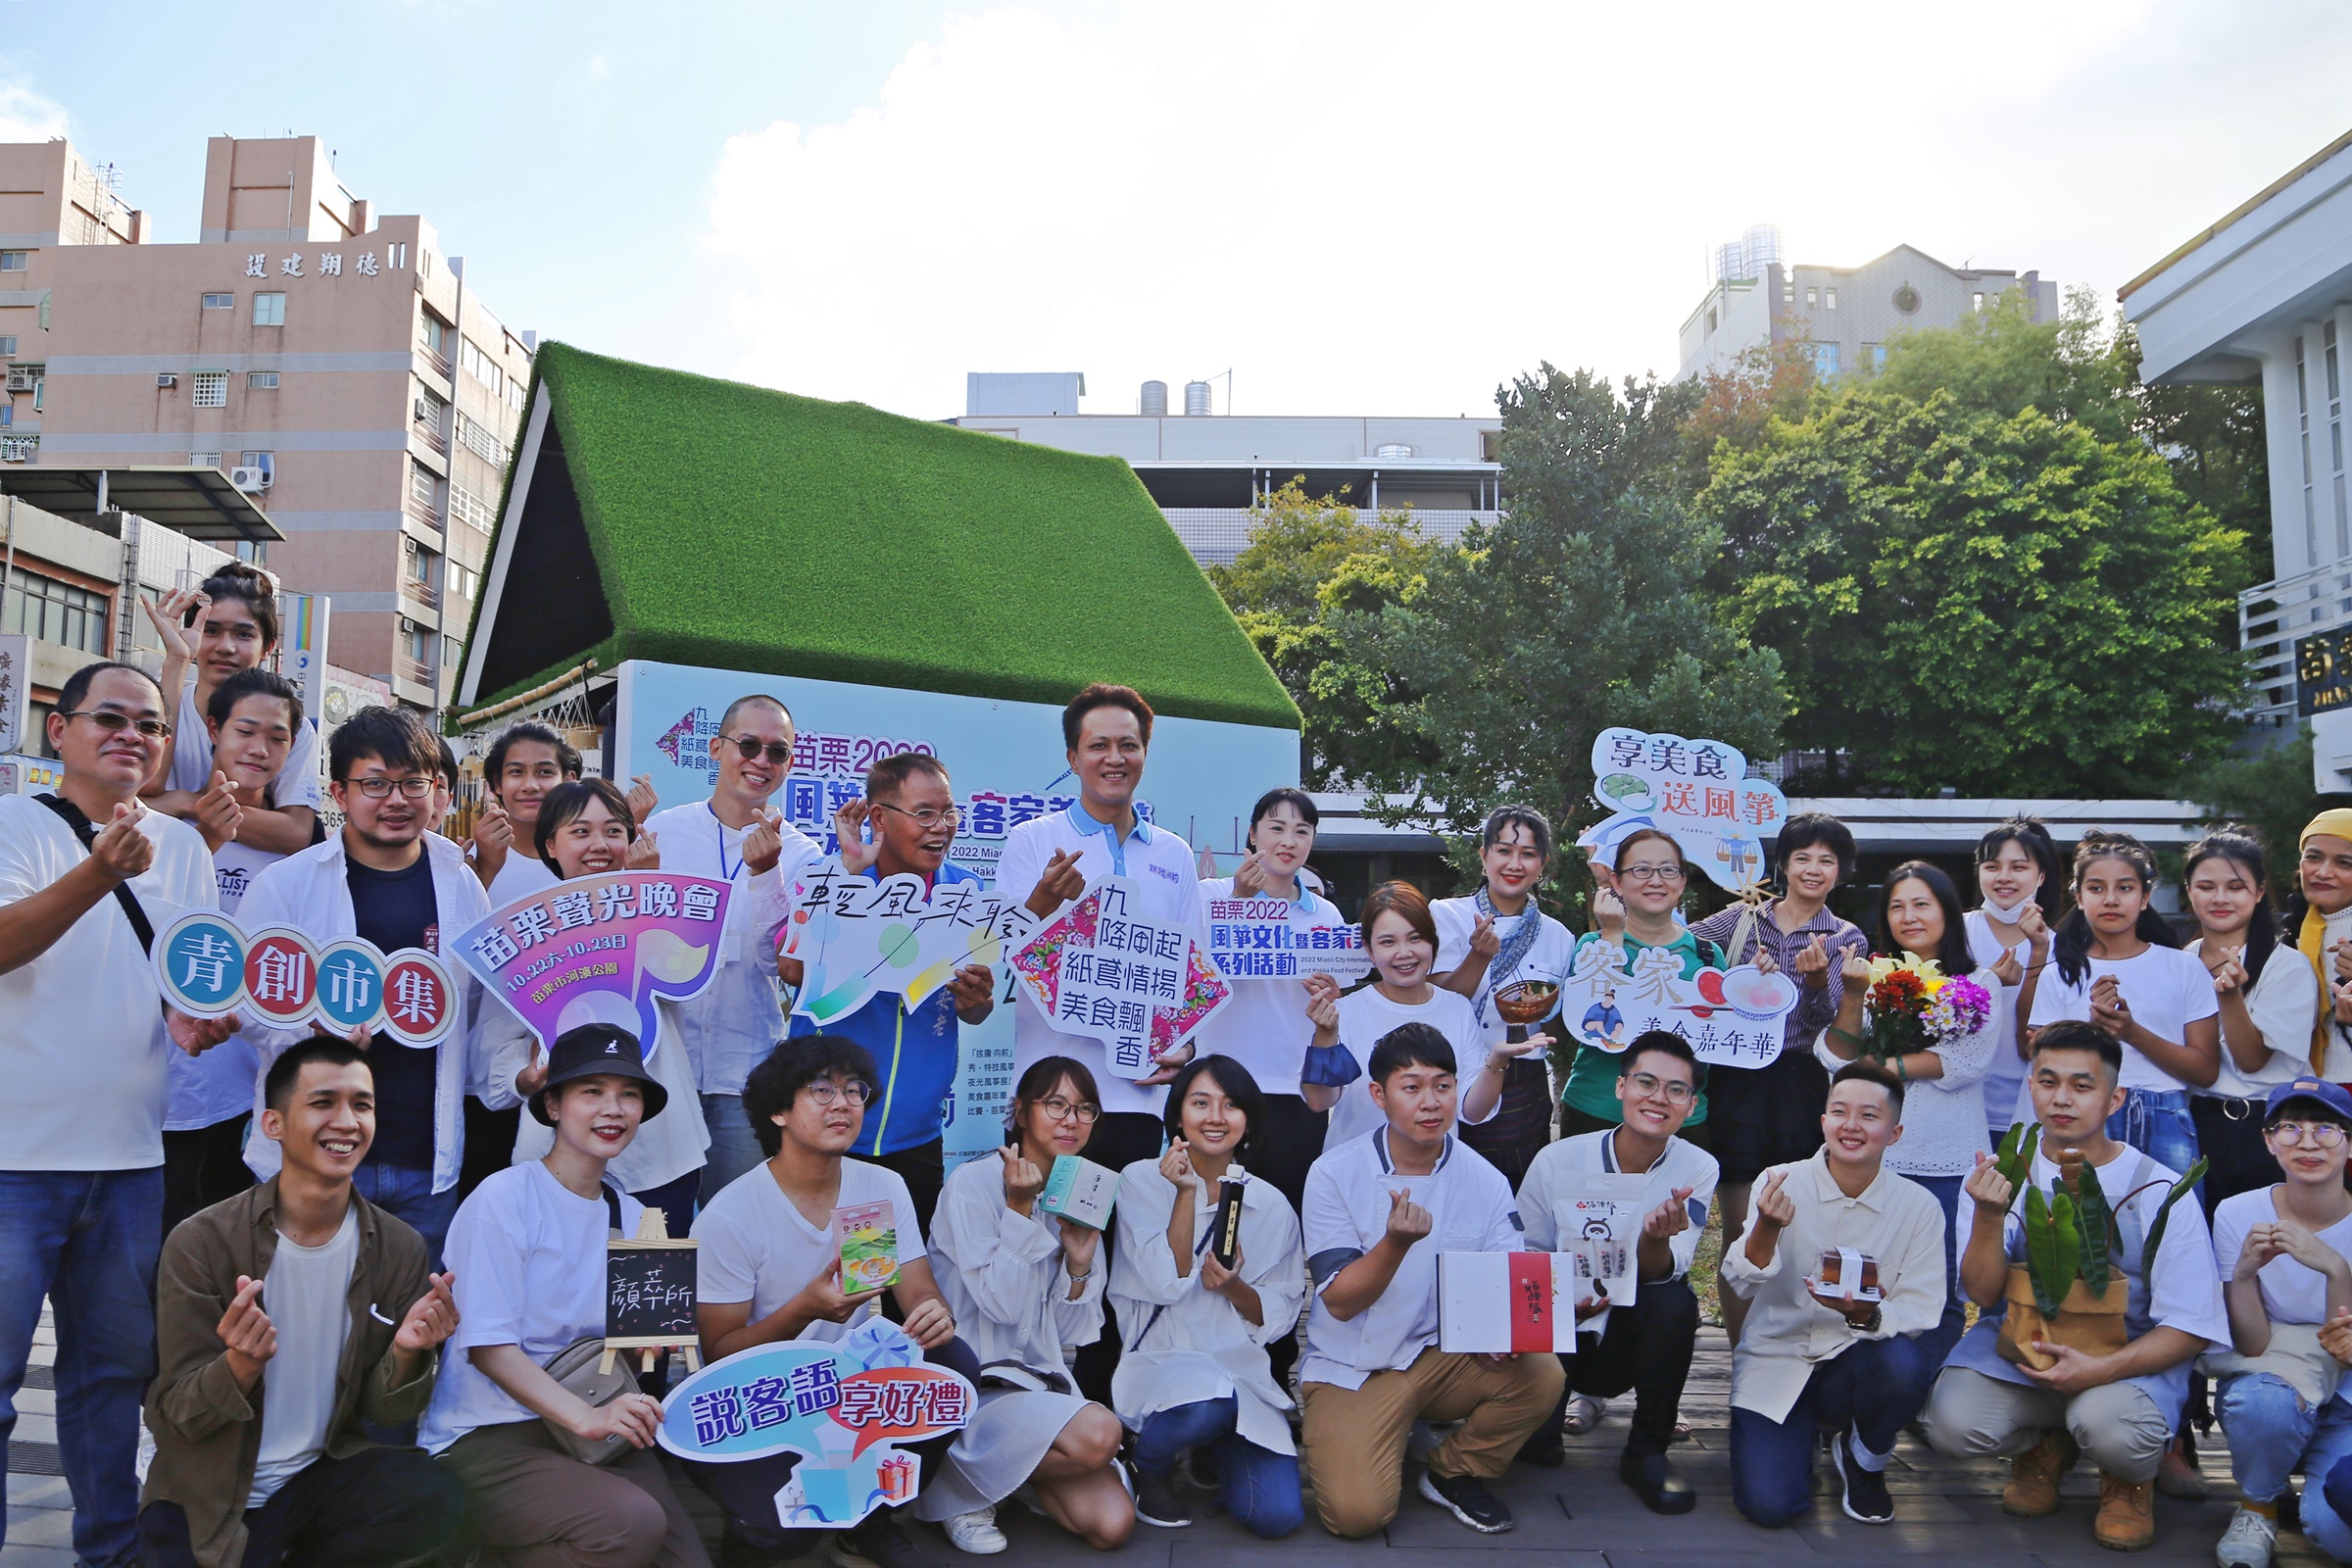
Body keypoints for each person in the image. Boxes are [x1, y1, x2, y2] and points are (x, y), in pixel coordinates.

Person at [0, 660, 239, 1566]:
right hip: (14, 1159)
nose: (132, 735)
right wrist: (100, 872)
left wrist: (198, 1023)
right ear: (58, 731)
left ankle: (109, 1552)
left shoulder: (183, 849)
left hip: (134, 1160)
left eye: (149, 722)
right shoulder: (15, 823)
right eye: (110, 717)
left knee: (111, 1382)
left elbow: (186, 986)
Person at [138, 1037, 465, 1568]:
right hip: (215, 1493)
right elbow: (178, 1417)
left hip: (317, 1482)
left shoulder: (398, 1246)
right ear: (272, 1124)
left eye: (362, 1105)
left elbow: (389, 1412)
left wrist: (408, 1353)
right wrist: (239, 1366)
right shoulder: (201, 1242)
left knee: (432, 1495)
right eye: (322, 1103)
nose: (347, 1122)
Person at [1923, 1020, 2230, 1552]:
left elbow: (2192, 1325)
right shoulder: (1999, 1176)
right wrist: (1990, 1217)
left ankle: (2128, 1477)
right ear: (2030, 1087)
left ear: (2115, 1099)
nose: (2062, 1099)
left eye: (2082, 1086)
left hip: (2128, 1358)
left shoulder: (2158, 1187)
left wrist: (2102, 1369)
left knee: (2109, 1425)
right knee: (1952, 1423)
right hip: (2025, 1348)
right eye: (2047, 1081)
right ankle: (2050, 1442)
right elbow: (1983, 1296)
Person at [422, 1024, 710, 1568]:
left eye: (629, 1094)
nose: (614, 1109)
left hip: (591, 1423)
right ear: (552, 1105)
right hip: (489, 1435)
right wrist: (586, 1418)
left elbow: (647, 1355)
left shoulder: (634, 1215)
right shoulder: (504, 1196)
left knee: (684, 1558)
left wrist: (663, 1327)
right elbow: (487, 1346)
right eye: (591, 1092)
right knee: (631, 1524)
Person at [690, 1035, 971, 1568]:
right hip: (762, 1398)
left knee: (952, 1363)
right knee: (785, 1534)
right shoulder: (731, 1216)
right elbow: (720, 1356)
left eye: (854, 1091)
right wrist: (807, 1309)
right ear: (778, 1110)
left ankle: (869, 1522)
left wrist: (935, 1314)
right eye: (821, 1090)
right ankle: (752, 1529)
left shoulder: (877, 1187)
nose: (842, 1104)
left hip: (852, 1389)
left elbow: (916, 1292)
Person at [238, 704, 492, 1266]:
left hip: (425, 1162)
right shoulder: (287, 885)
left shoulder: (461, 883)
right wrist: (312, 1030)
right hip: (311, 1157)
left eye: (411, 784)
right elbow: (247, 1007)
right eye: (375, 784)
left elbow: (472, 1009)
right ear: (338, 792)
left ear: (436, 789)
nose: (396, 800)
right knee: (300, 1326)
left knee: (406, 1334)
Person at [1295, 1022, 1565, 1539]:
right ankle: (1382, 1432)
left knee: (1541, 1373)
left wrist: (1504, 1332)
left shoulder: (1483, 1177)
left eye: (1443, 1085)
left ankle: (1454, 1470)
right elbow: (1343, 1303)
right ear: (1378, 1095)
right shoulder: (1333, 1173)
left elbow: (1506, 1278)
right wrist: (1394, 1243)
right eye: (1411, 1086)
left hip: (1443, 1355)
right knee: (1357, 1517)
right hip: (1355, 1366)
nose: (1431, 1102)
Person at [779, 752, 1005, 1236]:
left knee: (900, 1283)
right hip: (828, 1127)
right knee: (825, 1284)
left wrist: (977, 999)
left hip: (917, 1135)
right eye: (924, 813)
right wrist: (851, 877)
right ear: (878, 817)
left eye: (948, 813)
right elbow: (792, 968)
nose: (941, 827)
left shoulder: (966, 888)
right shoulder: (831, 876)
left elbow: (977, 1010)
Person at [1719, 1060, 1945, 1528]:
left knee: (1903, 1364)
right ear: (1823, 1121)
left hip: (1857, 1357)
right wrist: (1765, 1226)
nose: (1851, 1126)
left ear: (1895, 1132)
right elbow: (1740, 1278)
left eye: (1869, 1115)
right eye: (1839, 1111)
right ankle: (1798, 1438)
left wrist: (1866, 1314)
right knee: (1771, 1506)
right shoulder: (1780, 1182)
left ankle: (1864, 1457)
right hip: (1777, 1358)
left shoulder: (1918, 1207)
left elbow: (1922, 1307)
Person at [926, 1056, 1135, 1552]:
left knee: (1112, 1525)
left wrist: (1080, 1266)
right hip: (974, 1388)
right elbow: (1002, 1307)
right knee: (1102, 1432)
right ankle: (954, 1485)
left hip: (1040, 1388)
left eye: (1085, 1109)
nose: (1071, 1120)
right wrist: (1020, 1213)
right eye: (1056, 1104)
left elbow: (1069, 1336)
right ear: (1020, 1111)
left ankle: (1001, 1480)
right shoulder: (973, 1186)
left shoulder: (1082, 1189)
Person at [994, 684, 1202, 1176]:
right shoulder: (1033, 841)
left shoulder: (1174, 854)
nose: (1115, 758)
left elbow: (1193, 972)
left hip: (1139, 1100)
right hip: (1050, 1102)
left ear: (1145, 754)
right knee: (1039, 1243)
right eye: (1098, 746)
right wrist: (1045, 904)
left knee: (1125, 1248)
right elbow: (1005, 953)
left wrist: (1186, 1047)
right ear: (1073, 757)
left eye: (1128, 745)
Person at [482, 779, 708, 1228]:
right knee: (556, 1286)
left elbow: (690, 983)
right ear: (551, 843)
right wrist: (528, 1078)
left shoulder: (665, 907)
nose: (599, 845)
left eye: (613, 831)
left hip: (658, 1149)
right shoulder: (522, 930)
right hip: (557, 1153)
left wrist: (648, 891)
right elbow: (497, 1051)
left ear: (632, 837)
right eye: (580, 832)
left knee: (651, 1287)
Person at [1513, 1030, 1719, 1512]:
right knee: (1534, 1453)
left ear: (1691, 1105)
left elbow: (1667, 1271)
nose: (1658, 1098)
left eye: (1676, 1090)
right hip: (1559, 1326)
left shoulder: (1696, 1166)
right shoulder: (1558, 1159)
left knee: (1675, 1301)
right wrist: (1567, 1296)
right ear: (1620, 1086)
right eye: (1646, 1082)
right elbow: (1524, 1256)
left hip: (1633, 1331)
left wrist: (1655, 1237)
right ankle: (1544, 1415)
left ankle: (1647, 1450)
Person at [1691, 812, 1869, 1348]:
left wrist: (1815, 982)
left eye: (1827, 861)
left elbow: (1839, 1023)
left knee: (1799, 1227)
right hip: (1737, 1079)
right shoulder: (1738, 922)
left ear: (1841, 872)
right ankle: (1742, 1349)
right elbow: (1677, 949)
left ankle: (1791, 1349)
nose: (1813, 870)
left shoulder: (1845, 937)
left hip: (1801, 1082)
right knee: (1741, 1226)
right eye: (1803, 858)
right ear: (1784, 864)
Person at [1110, 1054, 1305, 1538]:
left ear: (1249, 1121)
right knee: (1204, 1405)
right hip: (1161, 1363)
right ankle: (1148, 1464)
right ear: (1178, 1115)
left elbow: (1282, 1311)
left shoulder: (1271, 1203)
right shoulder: (1140, 1179)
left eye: (1231, 1105)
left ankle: (1210, 1446)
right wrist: (1184, 1193)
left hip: (1238, 1376)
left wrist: (1234, 1286)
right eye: (1201, 1103)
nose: (1216, 1117)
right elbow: (1165, 1280)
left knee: (1277, 1516)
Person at [1815, 860, 2002, 1362]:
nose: (1909, 916)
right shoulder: (1873, 978)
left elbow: (1965, 1061)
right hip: (1878, 1163)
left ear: (1947, 911)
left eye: (1922, 904)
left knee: (1940, 1288)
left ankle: (1922, 1396)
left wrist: (1883, 1064)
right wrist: (1855, 995)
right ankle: (1865, 1390)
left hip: (1949, 1161)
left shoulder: (1978, 980)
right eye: (1896, 906)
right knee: (1865, 1279)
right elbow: (1837, 1059)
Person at [643, 694, 820, 1203]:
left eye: (777, 751)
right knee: (657, 1225)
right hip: (664, 1064)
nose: (761, 761)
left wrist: (767, 876)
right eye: (748, 745)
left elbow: (780, 964)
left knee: (736, 1223)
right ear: (718, 748)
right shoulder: (664, 833)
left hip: (744, 1069)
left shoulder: (803, 855)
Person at [163, 668, 301, 1234]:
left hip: (253, 1103)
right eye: (246, 731)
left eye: (278, 737)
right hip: (161, 1095)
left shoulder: (303, 860)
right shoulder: (161, 833)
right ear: (213, 729)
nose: (260, 749)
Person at [1189, 788, 1348, 1242]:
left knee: (1279, 1224)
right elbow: (1195, 977)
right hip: (1223, 1084)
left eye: (1302, 831)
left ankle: (1272, 1309)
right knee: (1215, 1220)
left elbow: (1334, 999)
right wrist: (1240, 901)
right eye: (1276, 828)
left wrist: (1330, 995)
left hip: (1294, 1090)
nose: (1288, 840)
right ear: (1253, 834)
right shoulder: (1211, 896)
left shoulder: (1326, 916)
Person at [2206, 1077, 2352, 1568]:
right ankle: (2259, 1504)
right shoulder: (2238, 1213)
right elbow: (2252, 1346)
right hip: (2276, 1377)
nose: (2307, 1143)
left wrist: (2335, 1267)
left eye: (2326, 1129)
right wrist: (2243, 1277)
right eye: (2290, 1128)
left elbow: (2342, 1344)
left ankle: (2317, 1471)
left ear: (2349, 1142)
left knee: (2333, 1535)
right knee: (2260, 1404)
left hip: (2348, 1397)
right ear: (2269, 1141)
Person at [2029, 829, 2221, 1176]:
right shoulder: (2061, 973)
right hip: (2082, 1112)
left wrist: (2131, 1032)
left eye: (2125, 888)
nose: (2111, 899)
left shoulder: (2183, 967)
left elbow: (2205, 1071)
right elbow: (2039, 1059)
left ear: (2145, 897)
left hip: (2165, 1114)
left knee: (2168, 1222)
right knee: (2082, 1226)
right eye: (2097, 888)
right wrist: (2091, 1031)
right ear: (2080, 897)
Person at [1427, 805, 1576, 1187]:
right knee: (1451, 1185)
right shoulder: (1447, 915)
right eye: (1504, 850)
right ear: (1484, 856)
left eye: (1528, 853)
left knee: (1518, 1192)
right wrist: (1479, 956)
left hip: (1524, 1078)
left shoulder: (1559, 935)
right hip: (1453, 1067)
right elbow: (1437, 1002)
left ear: (1543, 863)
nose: (1514, 863)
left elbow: (1565, 1012)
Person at [141, 566, 322, 858]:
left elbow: (295, 833)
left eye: (243, 635)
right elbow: (143, 790)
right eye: (211, 631)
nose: (225, 647)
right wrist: (177, 660)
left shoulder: (293, 727)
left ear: (268, 648)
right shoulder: (156, 702)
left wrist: (187, 803)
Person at [1301, 880, 1497, 1150]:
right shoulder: (1344, 1012)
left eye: (1415, 938)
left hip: (1433, 1174)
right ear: (1369, 950)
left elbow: (1474, 1111)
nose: (1404, 953)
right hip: (1354, 1176)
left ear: (1433, 943)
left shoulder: (1457, 1008)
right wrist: (1325, 1034)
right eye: (1387, 942)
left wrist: (1498, 1063)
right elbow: (1319, 1100)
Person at [1560, 830, 1727, 1141]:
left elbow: (1723, 1034)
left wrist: (1754, 987)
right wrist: (1611, 935)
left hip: (1680, 1120)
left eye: (1668, 870)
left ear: (1682, 882)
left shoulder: (1708, 956)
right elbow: (1592, 1022)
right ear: (1617, 881)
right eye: (1641, 870)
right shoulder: (1591, 946)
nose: (1655, 880)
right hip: (1596, 1111)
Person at [2185, 829, 2320, 1208]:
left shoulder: (2287, 967)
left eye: (2236, 886)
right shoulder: (2182, 961)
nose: (2220, 898)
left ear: (2259, 891)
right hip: (2194, 1127)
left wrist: (2230, 998)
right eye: (2206, 886)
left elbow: (2252, 1059)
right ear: (2189, 890)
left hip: (2266, 1131)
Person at [1966, 817, 2062, 1148]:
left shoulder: (2061, 948)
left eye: (2019, 867)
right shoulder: (1954, 932)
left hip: (2032, 1114)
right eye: (1992, 866)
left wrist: (2038, 952)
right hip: (1962, 1108)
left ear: (2041, 876)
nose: (2004, 877)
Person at [468, 721, 582, 903]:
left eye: (545, 772)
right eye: (516, 772)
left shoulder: (592, 853)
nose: (530, 786)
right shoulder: (472, 859)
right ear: (498, 782)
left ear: (568, 780)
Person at [2291, 809, 2352, 1077]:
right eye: (2313, 857)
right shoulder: (2290, 931)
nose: (2323, 872)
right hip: (2309, 1092)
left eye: (2345, 863)